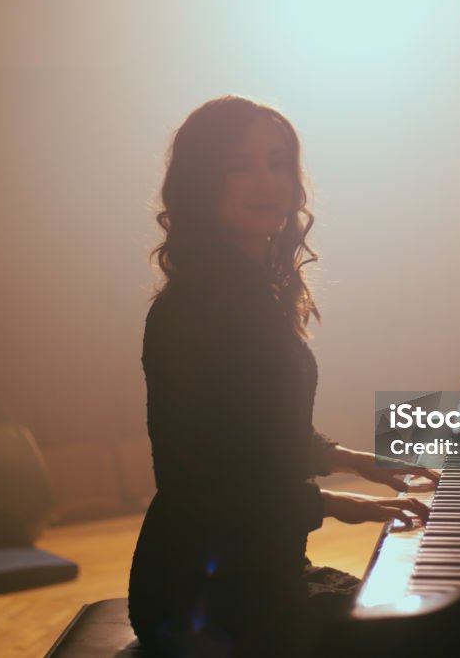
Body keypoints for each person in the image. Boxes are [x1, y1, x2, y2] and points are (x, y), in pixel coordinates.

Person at [128, 96, 437, 657]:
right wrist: (343, 505)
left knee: (416, 617)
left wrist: (362, 463)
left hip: (264, 572)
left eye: (278, 161)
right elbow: (199, 485)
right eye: (238, 165)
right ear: (202, 181)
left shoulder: (258, 290)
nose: (266, 181)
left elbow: (261, 436)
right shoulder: (186, 313)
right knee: (422, 634)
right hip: (206, 596)